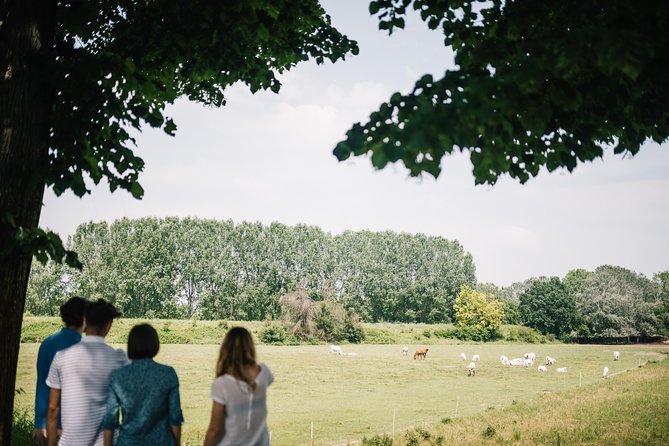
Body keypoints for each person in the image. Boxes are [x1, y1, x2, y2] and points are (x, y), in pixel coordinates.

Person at [46, 299, 129, 446]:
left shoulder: (61, 357)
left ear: (85, 320)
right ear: (108, 326)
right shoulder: (119, 358)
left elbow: (53, 409)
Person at [101, 323, 184, 445]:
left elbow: (110, 420)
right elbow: (175, 418)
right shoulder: (168, 374)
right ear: (155, 345)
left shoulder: (118, 376)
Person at [203, 327, 274, 446]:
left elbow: (215, 430)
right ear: (250, 347)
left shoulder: (221, 383)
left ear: (226, 349)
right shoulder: (264, 371)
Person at [33, 296, 89, 446]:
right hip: (65, 426)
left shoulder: (47, 342)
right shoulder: (79, 346)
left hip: (41, 423)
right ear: (84, 317)